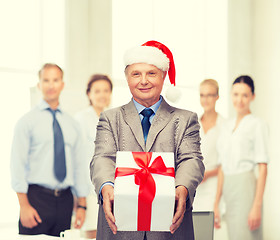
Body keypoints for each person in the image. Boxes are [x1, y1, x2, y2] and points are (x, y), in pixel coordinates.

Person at [90, 40, 205, 240]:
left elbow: (192, 160)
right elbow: (102, 158)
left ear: (163, 76)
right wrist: (106, 185)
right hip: (119, 227)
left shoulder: (186, 119)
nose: (143, 81)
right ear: (127, 78)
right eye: (136, 74)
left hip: (169, 227)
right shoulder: (110, 118)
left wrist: (182, 187)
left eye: (151, 73)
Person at [10, 63, 89, 237]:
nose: (51, 85)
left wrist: (82, 205)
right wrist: (24, 206)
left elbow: (78, 166)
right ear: (39, 85)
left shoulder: (72, 125)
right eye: (46, 80)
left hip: (65, 201)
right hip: (36, 199)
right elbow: (18, 164)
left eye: (55, 80)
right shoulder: (27, 122)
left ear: (62, 84)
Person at [214, 75, 269, 240]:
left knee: (247, 235)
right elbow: (222, 166)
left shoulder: (257, 124)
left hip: (246, 187)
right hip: (228, 188)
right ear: (231, 95)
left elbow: (263, 166)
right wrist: (217, 202)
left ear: (253, 96)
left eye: (245, 95)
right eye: (236, 94)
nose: (240, 100)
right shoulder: (226, 126)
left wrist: (256, 205)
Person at [75, 74, 113, 239]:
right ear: (89, 94)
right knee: (91, 234)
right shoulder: (81, 119)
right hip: (89, 190)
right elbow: (78, 159)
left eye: (106, 90)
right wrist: (80, 198)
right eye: (97, 91)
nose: (102, 95)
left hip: (110, 189)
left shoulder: (114, 117)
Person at [192, 79, 224, 211]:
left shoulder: (225, 126)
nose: (205, 99)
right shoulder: (193, 124)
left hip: (215, 188)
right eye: (202, 95)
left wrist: (207, 174)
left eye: (210, 95)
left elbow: (226, 164)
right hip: (194, 188)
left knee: (212, 228)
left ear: (217, 97)